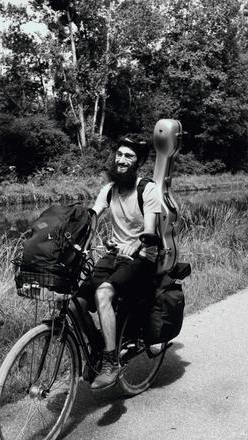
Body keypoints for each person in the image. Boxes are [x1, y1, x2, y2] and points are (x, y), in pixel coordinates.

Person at [84, 136, 161, 391]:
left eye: (129, 156)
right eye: (119, 154)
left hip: (142, 257)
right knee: (75, 299)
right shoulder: (108, 189)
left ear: (137, 162)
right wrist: (74, 239)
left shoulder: (147, 189)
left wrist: (137, 244)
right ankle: (100, 346)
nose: (122, 160)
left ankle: (110, 362)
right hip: (115, 256)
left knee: (103, 293)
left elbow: (149, 230)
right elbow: (92, 218)